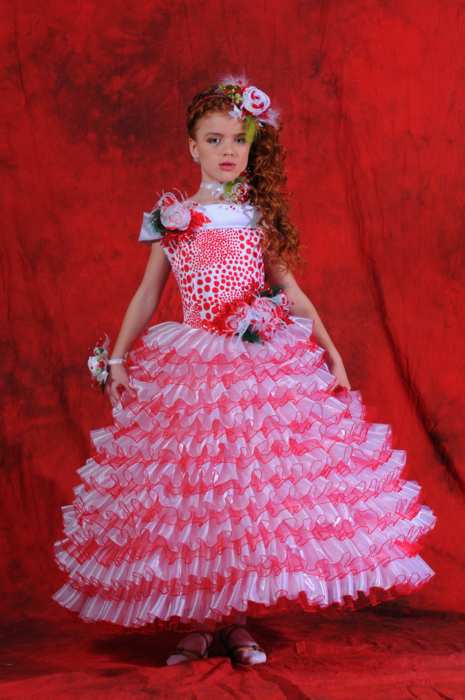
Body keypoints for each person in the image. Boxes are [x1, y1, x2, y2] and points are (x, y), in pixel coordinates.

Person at [52, 75, 437, 668]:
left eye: (238, 140)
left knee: (246, 495)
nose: (227, 151)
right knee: (197, 495)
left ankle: (235, 621)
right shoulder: (173, 218)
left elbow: (289, 290)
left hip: (256, 367)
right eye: (214, 140)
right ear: (192, 147)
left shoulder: (257, 216)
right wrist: (120, 357)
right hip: (192, 368)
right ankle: (201, 623)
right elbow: (147, 294)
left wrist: (331, 351)